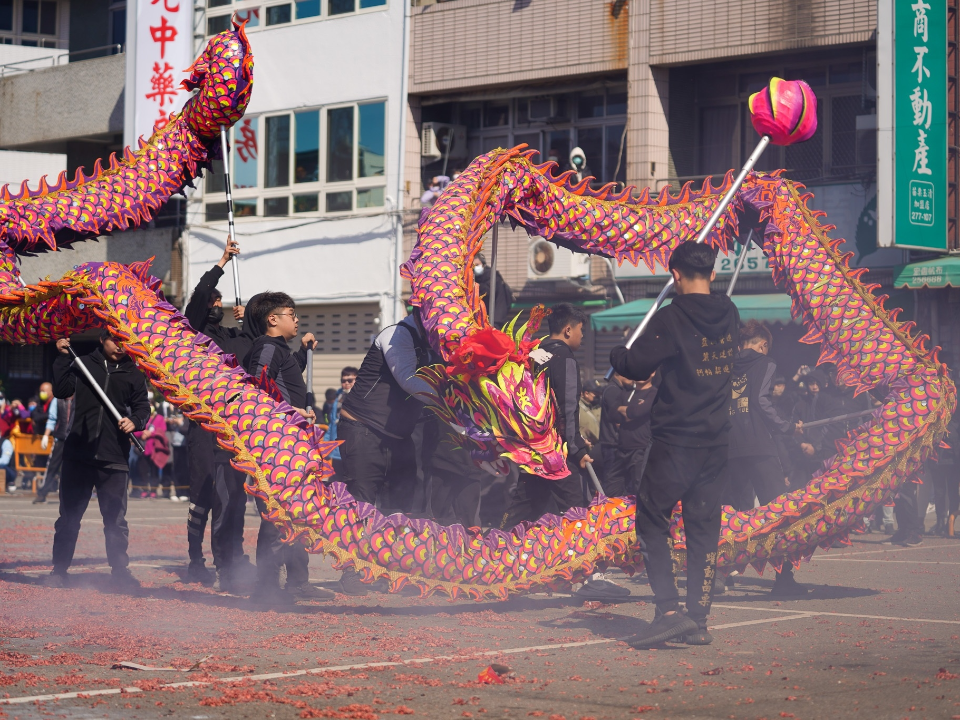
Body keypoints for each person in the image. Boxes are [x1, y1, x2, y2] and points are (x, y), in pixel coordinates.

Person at [610, 241, 740, 648]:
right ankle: (698, 620)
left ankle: (668, 611)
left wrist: (620, 349)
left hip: (676, 441)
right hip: (718, 440)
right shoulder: (731, 312)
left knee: (652, 521)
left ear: (675, 276)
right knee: (704, 530)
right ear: (714, 275)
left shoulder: (672, 317)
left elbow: (633, 366)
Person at [498, 304, 627, 602]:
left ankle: (495, 556)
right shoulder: (565, 358)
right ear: (568, 329)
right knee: (577, 512)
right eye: (581, 331)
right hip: (558, 452)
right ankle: (591, 576)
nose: (582, 337)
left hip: (532, 448)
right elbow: (568, 409)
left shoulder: (534, 353)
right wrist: (577, 448)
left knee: (524, 506)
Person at [336, 309, 443, 595]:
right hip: (362, 429)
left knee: (399, 508)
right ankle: (352, 571)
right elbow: (407, 378)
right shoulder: (396, 334)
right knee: (361, 504)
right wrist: (447, 399)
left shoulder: (435, 345)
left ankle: (389, 571)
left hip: (400, 438)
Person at [243, 292, 334, 604]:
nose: (296, 320)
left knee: (297, 514)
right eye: (291, 314)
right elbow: (257, 390)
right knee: (277, 515)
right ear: (272, 319)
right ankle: (265, 587)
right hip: (274, 446)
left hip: (291, 443)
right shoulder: (267, 347)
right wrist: (292, 413)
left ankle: (297, 581)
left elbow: (284, 378)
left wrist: (303, 352)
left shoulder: (278, 349)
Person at [45, 330, 151, 590]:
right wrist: (61, 358)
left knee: (115, 520)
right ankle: (59, 570)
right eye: (115, 340)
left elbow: (142, 408)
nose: (120, 347)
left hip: (114, 457)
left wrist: (135, 422)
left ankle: (120, 571)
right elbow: (61, 390)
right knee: (69, 517)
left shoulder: (133, 373)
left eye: (126, 342)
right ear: (102, 339)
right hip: (78, 454)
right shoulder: (82, 363)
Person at [183, 240, 255, 590]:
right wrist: (222, 261)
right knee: (202, 497)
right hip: (202, 427)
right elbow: (197, 298)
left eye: (219, 302)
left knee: (232, 499)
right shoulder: (195, 333)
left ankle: (230, 560)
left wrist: (250, 323)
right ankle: (195, 558)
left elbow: (257, 350)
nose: (216, 305)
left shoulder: (232, 337)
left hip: (233, 431)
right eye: (214, 301)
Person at [726, 320, 808, 597]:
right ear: (763, 345)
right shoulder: (766, 363)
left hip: (729, 448)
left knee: (734, 515)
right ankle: (783, 579)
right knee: (777, 513)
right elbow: (761, 402)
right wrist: (787, 426)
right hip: (759, 446)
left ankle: (722, 574)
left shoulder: (723, 366)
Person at [612, 372, 656, 497]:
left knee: (639, 489)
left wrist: (626, 410)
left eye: (646, 370)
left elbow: (637, 412)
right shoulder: (626, 392)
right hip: (621, 448)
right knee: (612, 489)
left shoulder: (654, 393)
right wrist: (630, 412)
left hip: (640, 449)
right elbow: (612, 413)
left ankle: (640, 516)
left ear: (653, 373)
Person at [33, 394, 74, 503]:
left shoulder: (80, 396)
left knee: (76, 468)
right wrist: (46, 435)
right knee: (52, 467)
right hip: (60, 438)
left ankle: (77, 495)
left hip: (76, 438)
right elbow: (52, 418)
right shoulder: (58, 399)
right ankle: (42, 494)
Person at [599, 373, 635, 494]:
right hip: (613, 445)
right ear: (619, 373)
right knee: (613, 486)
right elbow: (618, 419)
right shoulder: (613, 391)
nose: (633, 378)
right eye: (630, 374)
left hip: (615, 444)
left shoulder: (618, 390)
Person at [322, 366, 357, 482]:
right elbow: (332, 424)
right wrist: (325, 445)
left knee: (352, 485)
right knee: (336, 485)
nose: (346, 383)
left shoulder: (361, 399)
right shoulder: (338, 398)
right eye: (343, 381)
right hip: (337, 451)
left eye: (350, 380)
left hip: (353, 452)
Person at [135, 405, 171, 497]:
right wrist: (143, 433)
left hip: (155, 449)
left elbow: (162, 430)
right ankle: (144, 489)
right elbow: (135, 430)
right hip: (143, 449)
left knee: (154, 471)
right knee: (143, 470)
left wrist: (151, 433)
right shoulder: (141, 417)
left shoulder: (159, 418)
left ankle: (153, 491)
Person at [473, 252, 514, 328]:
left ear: (483, 264)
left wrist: (475, 285)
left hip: (496, 317)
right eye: (473, 266)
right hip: (489, 316)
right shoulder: (479, 277)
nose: (475, 268)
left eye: (477, 265)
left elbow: (488, 291)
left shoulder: (492, 275)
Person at [0, 426, 16, 492]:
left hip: (9, 471)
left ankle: (9, 482)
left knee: (1, 466)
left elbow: (5, 461)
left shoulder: (6, 443)